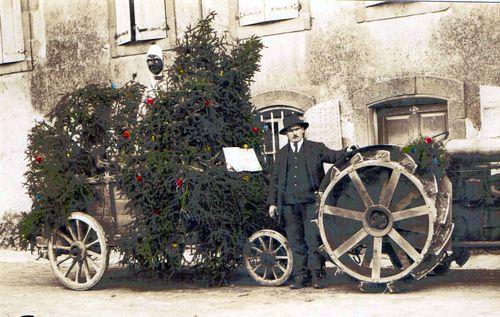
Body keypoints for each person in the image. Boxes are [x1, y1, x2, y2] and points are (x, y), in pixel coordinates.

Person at [267, 113, 344, 289]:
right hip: (288, 205)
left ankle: (317, 275)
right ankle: (301, 276)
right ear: (286, 134)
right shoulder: (281, 154)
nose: (294, 133)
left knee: (313, 239)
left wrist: (348, 151)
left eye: (296, 129)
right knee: (295, 241)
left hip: (311, 203)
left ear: (303, 130)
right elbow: (275, 180)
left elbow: (334, 156)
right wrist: (272, 203)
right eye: (290, 131)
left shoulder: (315, 148)